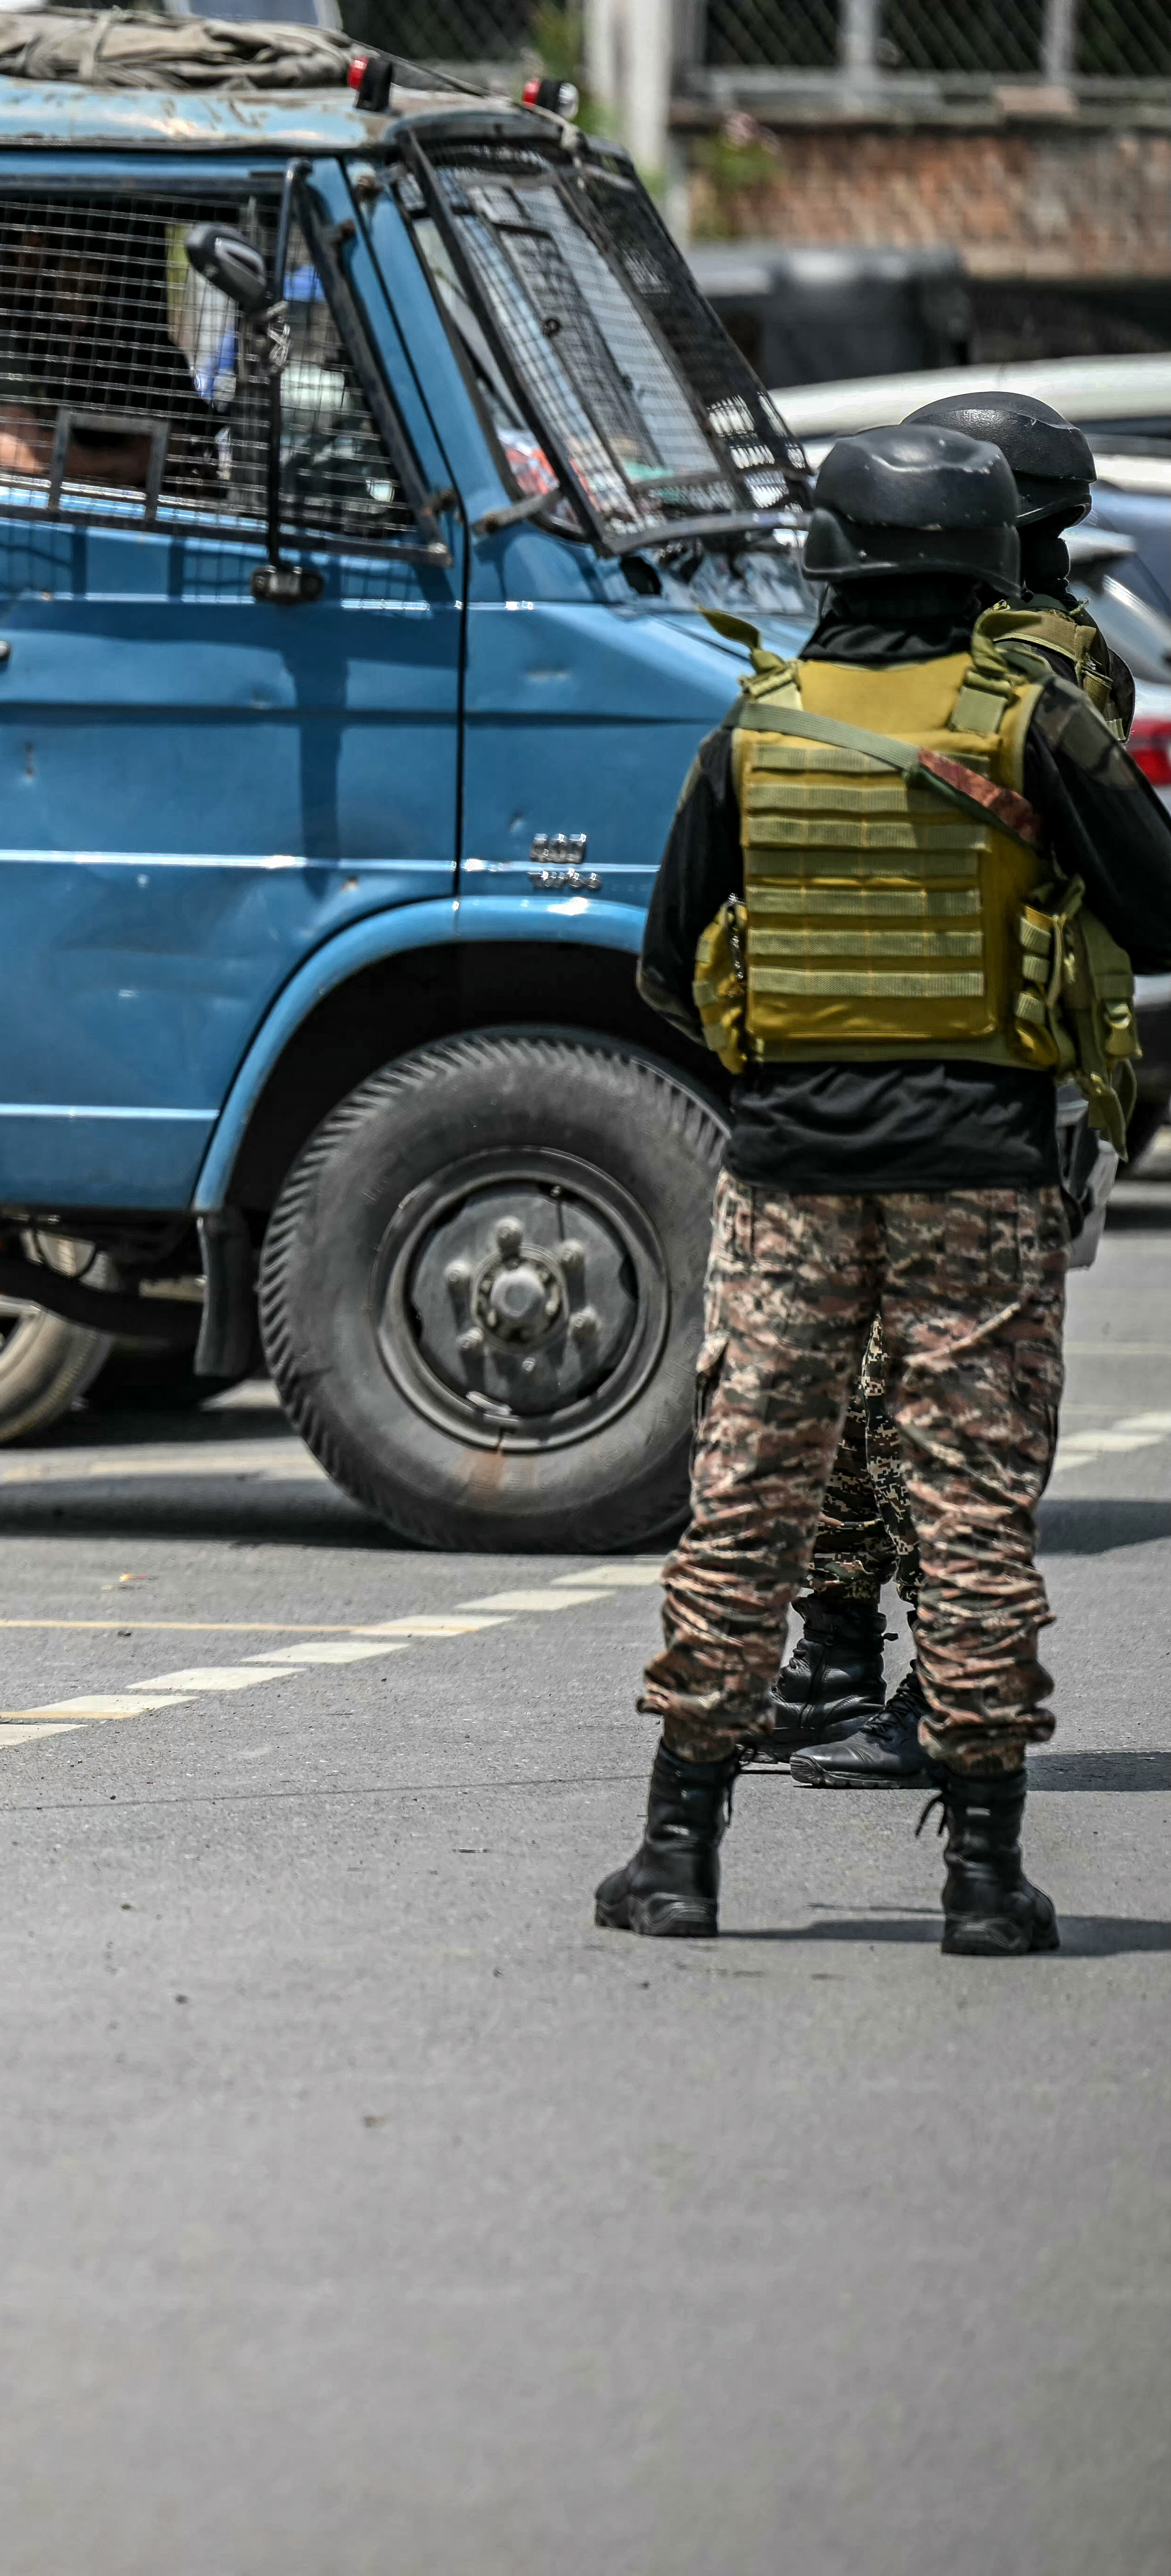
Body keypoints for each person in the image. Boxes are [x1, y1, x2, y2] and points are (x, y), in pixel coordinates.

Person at [603, 422, 1171, 1957]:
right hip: (980, 1176)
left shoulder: (758, 728)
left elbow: (667, 969)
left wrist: (792, 1064)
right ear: (995, 560)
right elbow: (1160, 905)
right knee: (974, 1517)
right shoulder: (1038, 721)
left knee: (746, 1507)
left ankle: (677, 1856)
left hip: (791, 1174)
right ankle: (985, 1881)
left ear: (829, 559)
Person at [765, 388, 1139, 1792]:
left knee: (953, 1405)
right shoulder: (927, 656)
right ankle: (838, 1657)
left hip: (1008, 1083)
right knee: (847, 1391)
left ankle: (944, 1697)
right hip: (893, 1072)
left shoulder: (1052, 671)